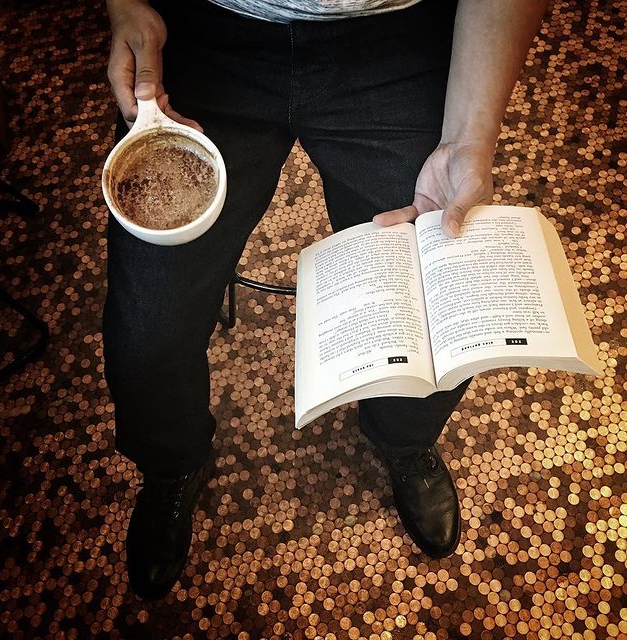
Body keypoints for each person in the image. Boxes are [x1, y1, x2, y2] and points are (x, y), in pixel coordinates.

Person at [104, 0, 549, 600]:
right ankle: (171, 464)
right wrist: (125, 5)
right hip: (204, 32)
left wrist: (469, 136)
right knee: (145, 333)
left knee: (438, 298)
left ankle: (404, 442)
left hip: (397, 40)